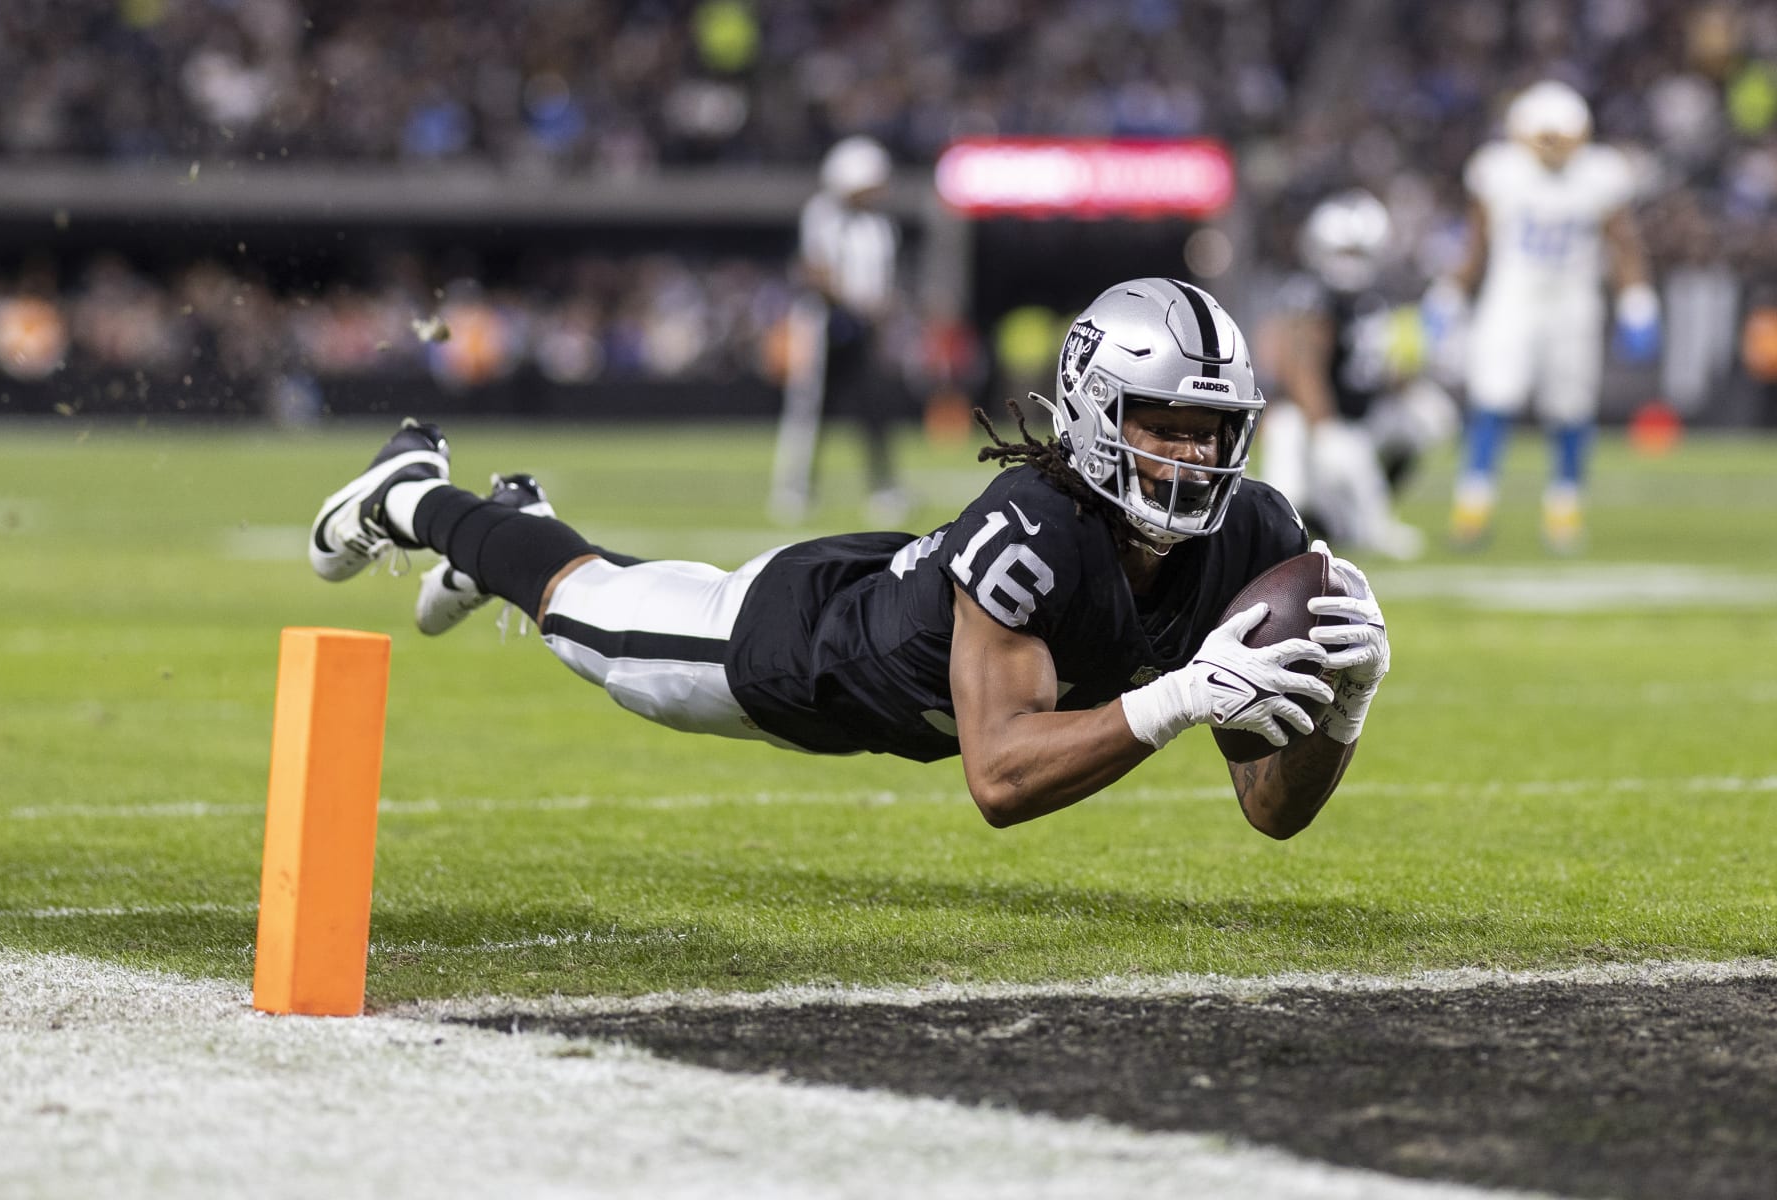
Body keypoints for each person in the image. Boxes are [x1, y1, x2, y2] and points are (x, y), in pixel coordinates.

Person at [310, 279, 1391, 836]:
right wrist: (1178, 701)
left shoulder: (1252, 533)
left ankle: (513, 524)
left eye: (1212, 430)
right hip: (811, 650)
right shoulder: (1037, 531)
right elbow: (1001, 778)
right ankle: (415, 493)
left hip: (906, 606)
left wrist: (1342, 707)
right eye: (1167, 424)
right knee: (596, 623)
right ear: (1101, 414)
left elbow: (1270, 811)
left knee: (609, 590)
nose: (1195, 456)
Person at [1428, 79, 1660, 553]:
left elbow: (1624, 243)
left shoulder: (1601, 174)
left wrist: (1638, 299)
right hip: (1512, 297)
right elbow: (1478, 244)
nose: (1554, 148)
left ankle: (1564, 511)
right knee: (1493, 399)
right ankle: (1473, 507)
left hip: (1574, 301)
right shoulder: (1499, 171)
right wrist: (1449, 294)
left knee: (1572, 409)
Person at [1256, 189, 1458, 561]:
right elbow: (1301, 367)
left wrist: (1406, 372)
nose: (1350, 263)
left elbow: (1385, 367)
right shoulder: (1310, 294)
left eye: (1358, 253)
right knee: (1295, 483)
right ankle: (1294, 526)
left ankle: (1356, 520)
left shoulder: (1382, 295)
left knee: (1431, 415)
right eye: (1343, 253)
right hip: (1307, 420)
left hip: (1362, 416)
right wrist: (1325, 425)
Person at [768, 135, 907, 526]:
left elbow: (882, 282)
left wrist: (879, 310)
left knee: (873, 407)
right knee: (809, 409)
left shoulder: (879, 227)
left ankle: (884, 487)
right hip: (823, 323)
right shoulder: (822, 214)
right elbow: (815, 270)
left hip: (862, 328)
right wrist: (855, 300)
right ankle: (794, 487)